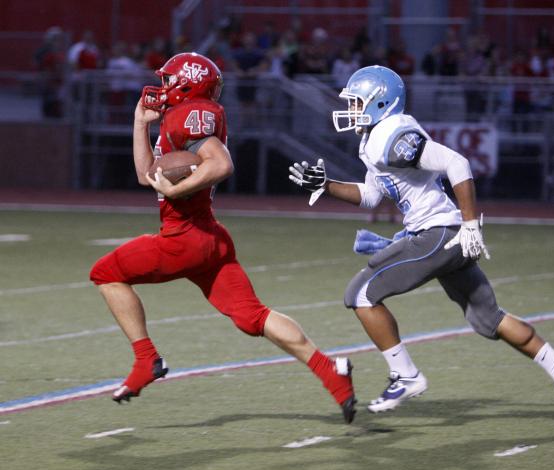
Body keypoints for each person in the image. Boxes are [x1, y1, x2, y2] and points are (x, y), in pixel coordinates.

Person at [288, 65, 554, 424]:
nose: (351, 109)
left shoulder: (392, 134)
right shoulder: (374, 139)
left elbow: (455, 162)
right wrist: (327, 185)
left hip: (439, 233)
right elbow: (372, 194)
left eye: (357, 102)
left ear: (380, 102)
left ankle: (406, 375)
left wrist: (470, 224)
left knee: (361, 294)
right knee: (487, 319)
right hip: (443, 234)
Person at [89, 52, 356, 423]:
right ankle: (332, 371)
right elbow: (144, 175)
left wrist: (178, 191)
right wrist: (139, 124)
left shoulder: (188, 114)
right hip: (211, 239)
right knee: (252, 318)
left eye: (169, 80)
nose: (162, 87)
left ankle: (146, 359)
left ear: (187, 82)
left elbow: (221, 163)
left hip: (183, 237)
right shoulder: (180, 116)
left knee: (105, 273)